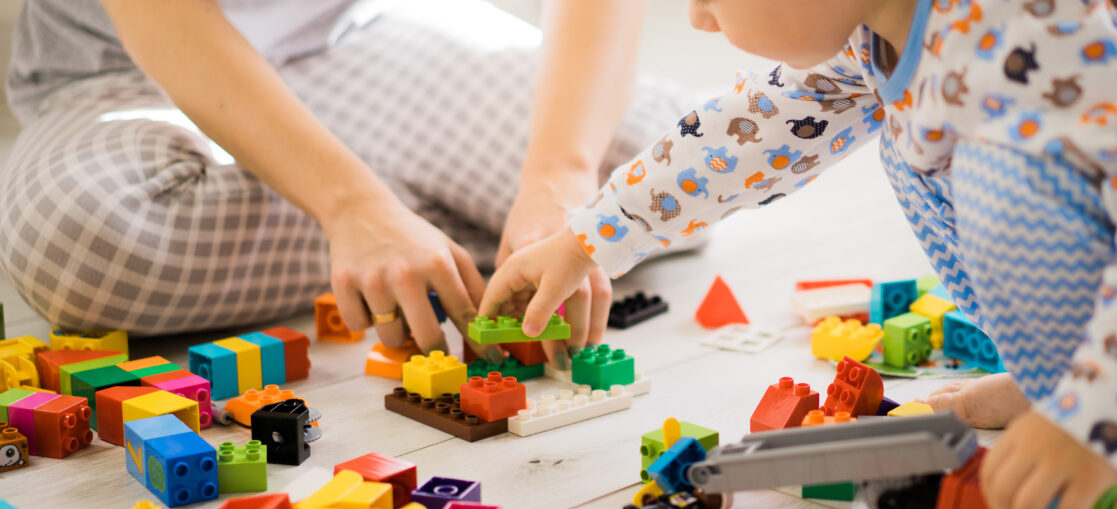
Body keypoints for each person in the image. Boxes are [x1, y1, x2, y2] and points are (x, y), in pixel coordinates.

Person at [476, 0, 1117, 507]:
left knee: (997, 169)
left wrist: (1105, 417)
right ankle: (1049, 376)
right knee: (922, 144)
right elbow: (752, 131)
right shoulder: (894, 26)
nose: (701, 19)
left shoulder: (1015, 25)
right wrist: (591, 232)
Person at [0, 0, 688, 368]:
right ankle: (395, 222)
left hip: (356, 35)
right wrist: (351, 205)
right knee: (86, 237)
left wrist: (559, 175)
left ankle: (408, 231)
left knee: (668, 169)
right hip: (131, 64)